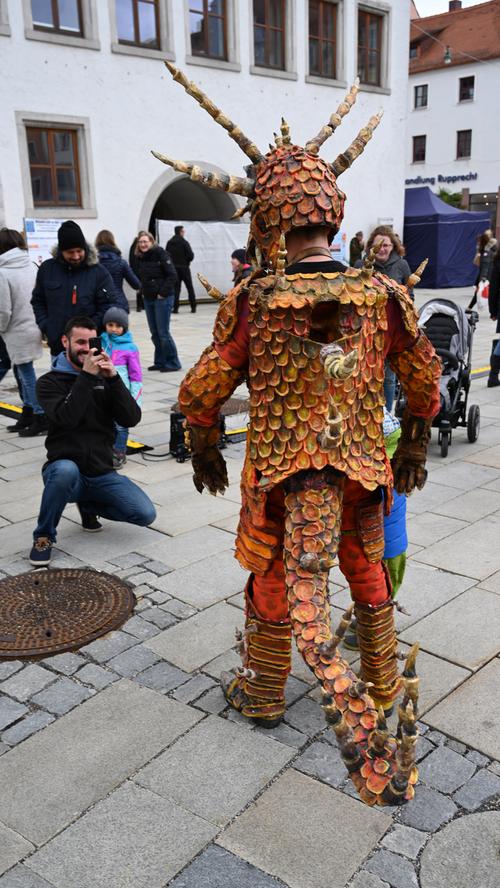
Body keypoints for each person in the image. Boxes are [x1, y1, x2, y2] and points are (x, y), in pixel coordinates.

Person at [159, 64, 441, 806]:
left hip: (285, 475)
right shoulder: (381, 294)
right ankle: (378, 688)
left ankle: (261, 691)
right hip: (357, 468)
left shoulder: (256, 299)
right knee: (364, 567)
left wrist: (201, 440)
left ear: (267, 219)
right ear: (332, 217)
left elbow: (205, 385)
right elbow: (424, 377)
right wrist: (411, 440)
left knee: (277, 582)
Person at [29, 315, 156, 566]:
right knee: (65, 471)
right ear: (65, 341)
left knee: (144, 514)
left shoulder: (104, 379)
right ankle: (43, 535)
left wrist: (113, 379)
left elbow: (131, 418)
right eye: (79, 342)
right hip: (65, 470)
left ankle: (89, 506)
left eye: (91, 342)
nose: (86, 349)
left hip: (100, 471)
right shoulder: (48, 383)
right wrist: (86, 377)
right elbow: (67, 419)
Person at [344, 409, 408, 650]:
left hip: (382, 524)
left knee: (380, 567)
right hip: (372, 463)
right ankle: (367, 619)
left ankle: (374, 626)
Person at [31, 220, 117, 360]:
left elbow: (108, 305)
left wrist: (88, 329)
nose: (76, 256)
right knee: (60, 381)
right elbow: (38, 301)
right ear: (61, 251)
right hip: (59, 343)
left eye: (79, 251)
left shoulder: (98, 272)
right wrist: (46, 326)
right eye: (70, 252)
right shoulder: (47, 269)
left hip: (91, 345)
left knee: (92, 381)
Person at [356, 226, 412, 411]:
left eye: (386, 244)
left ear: (393, 246)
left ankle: (386, 416)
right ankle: (362, 413)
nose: (382, 248)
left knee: (388, 377)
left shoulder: (401, 265)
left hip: (391, 329)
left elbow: (409, 295)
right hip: (366, 328)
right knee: (363, 374)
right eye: (378, 244)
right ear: (370, 245)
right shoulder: (360, 265)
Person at [0, 228, 47, 436]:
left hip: (15, 329)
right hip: (32, 325)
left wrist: (0, 327)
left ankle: (39, 415)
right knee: (22, 370)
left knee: (26, 374)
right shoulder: (31, 264)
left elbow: (3, 309)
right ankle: (28, 412)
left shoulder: (2, 271)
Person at [100, 306, 143, 468]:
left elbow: (136, 376)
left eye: (118, 326)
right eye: (110, 325)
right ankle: (107, 450)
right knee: (107, 423)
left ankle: (119, 452)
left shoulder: (130, 348)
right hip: (104, 393)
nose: (114, 329)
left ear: (124, 327)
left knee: (121, 424)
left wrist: (135, 399)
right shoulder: (101, 342)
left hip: (121, 393)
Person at [134, 231, 181, 372]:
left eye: (145, 241)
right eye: (140, 242)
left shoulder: (161, 253)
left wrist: (162, 292)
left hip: (163, 298)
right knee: (154, 332)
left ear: (151, 241)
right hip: (149, 298)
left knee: (163, 332)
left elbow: (172, 275)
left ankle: (173, 362)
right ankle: (160, 361)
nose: (143, 244)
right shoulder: (141, 257)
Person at [95, 230, 141, 313]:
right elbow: (136, 284)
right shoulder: (121, 262)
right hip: (119, 304)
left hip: (99, 305)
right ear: (112, 241)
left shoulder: (92, 263)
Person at [166, 225, 196, 313]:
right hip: (184, 268)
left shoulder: (169, 242)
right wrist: (186, 261)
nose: (184, 233)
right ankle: (193, 307)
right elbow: (191, 255)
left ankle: (175, 308)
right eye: (183, 231)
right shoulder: (184, 242)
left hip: (174, 268)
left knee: (176, 289)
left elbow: (167, 255)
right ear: (180, 232)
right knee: (189, 287)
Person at [468, 229, 498, 311]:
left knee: (488, 292)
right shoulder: (488, 249)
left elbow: (485, 265)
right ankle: (470, 307)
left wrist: (483, 278)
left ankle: (470, 307)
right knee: (480, 291)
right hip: (488, 274)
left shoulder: (487, 251)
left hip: (488, 275)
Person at [487, 244, 500, 386]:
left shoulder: (497, 262)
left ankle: (493, 375)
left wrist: (493, 311)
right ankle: (493, 376)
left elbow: (494, 289)